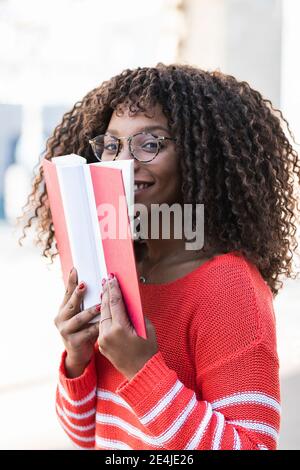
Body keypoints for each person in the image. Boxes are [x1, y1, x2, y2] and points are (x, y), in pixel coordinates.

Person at [19, 63, 300, 450]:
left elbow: (252, 445)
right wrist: (76, 360)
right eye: (113, 145)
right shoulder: (115, 269)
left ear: (203, 156)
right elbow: (85, 435)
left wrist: (140, 368)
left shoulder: (228, 288)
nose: (124, 162)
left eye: (151, 144)